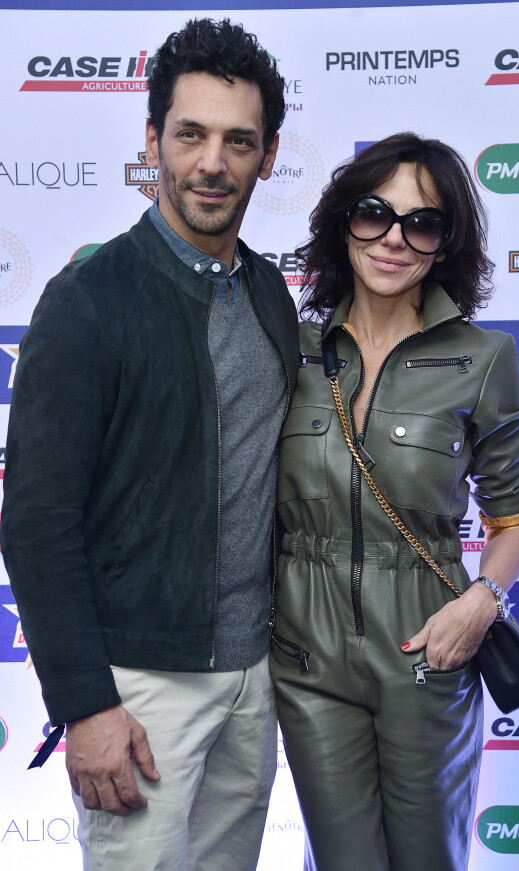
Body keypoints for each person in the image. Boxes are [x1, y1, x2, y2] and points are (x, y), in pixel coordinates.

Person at [1, 18, 298, 871]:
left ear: (268, 155)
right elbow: (37, 521)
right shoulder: (87, 300)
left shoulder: (270, 293)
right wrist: (86, 703)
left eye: (238, 141)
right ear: (152, 141)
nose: (213, 162)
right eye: (191, 134)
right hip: (139, 689)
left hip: (255, 676)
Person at [269, 132, 519, 871]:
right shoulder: (288, 349)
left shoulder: (483, 357)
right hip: (306, 649)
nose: (393, 238)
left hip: (428, 643)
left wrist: (481, 600)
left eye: (421, 223)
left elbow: (513, 519)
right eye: (373, 214)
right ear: (342, 223)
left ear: (445, 244)